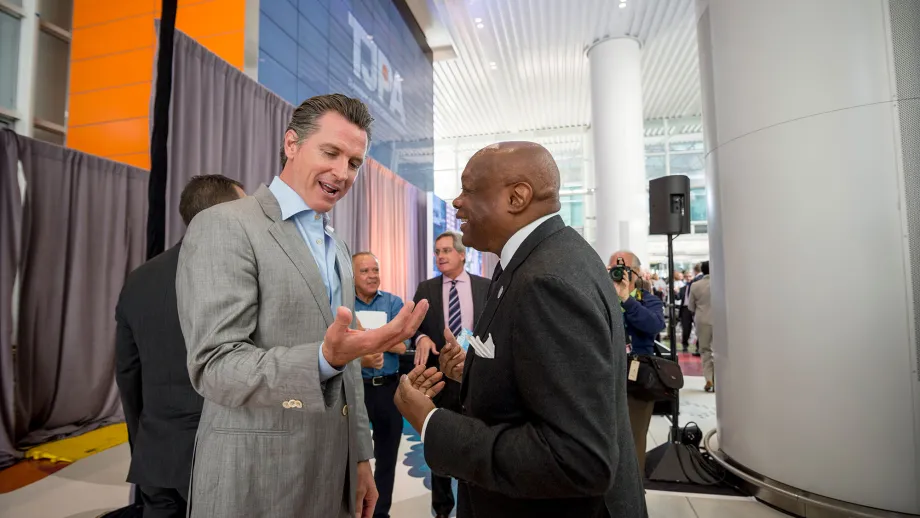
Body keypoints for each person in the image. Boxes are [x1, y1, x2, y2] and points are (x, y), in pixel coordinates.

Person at [175, 94, 429, 518]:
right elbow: (214, 365)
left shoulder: (338, 246)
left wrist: (361, 457)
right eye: (330, 153)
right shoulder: (225, 225)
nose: (342, 173)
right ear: (291, 144)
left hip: (333, 474)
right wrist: (322, 359)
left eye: (353, 163)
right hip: (255, 478)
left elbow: (347, 368)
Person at [394, 142, 647, 518]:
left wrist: (432, 425)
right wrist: (476, 375)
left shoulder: (546, 280)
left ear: (517, 197)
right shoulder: (536, 259)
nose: (457, 202)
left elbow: (577, 459)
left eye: (469, 189)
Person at [115, 175, 245, 518]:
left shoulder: (139, 278)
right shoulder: (240, 277)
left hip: (156, 456)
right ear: (225, 214)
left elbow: (128, 375)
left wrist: (144, 444)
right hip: (224, 462)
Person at [410, 231, 490, 518]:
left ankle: (476, 501)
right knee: (440, 442)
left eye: (446, 251)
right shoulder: (426, 288)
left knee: (476, 442)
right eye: (436, 252)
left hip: (477, 379)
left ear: (461, 254)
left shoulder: (486, 286)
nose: (440, 256)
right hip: (439, 380)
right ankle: (442, 509)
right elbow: (413, 327)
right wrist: (420, 338)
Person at [352, 252, 408, 518]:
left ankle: (380, 513)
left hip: (388, 390)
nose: (372, 275)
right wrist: (363, 356)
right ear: (352, 276)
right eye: (365, 271)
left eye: (375, 270)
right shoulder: (343, 306)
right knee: (351, 456)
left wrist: (364, 338)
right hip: (354, 391)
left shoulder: (393, 303)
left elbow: (402, 344)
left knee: (387, 458)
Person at [608, 251, 666, 475]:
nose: (617, 273)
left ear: (636, 273)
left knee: (634, 435)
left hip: (637, 377)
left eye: (622, 269)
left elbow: (653, 325)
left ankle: (633, 491)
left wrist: (626, 299)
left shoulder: (647, 300)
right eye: (612, 268)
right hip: (606, 374)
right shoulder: (600, 297)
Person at [688, 260, 713, 391]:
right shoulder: (721, 284)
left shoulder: (695, 285)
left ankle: (709, 379)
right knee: (720, 352)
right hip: (721, 320)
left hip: (702, 320)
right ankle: (720, 380)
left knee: (705, 350)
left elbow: (691, 306)